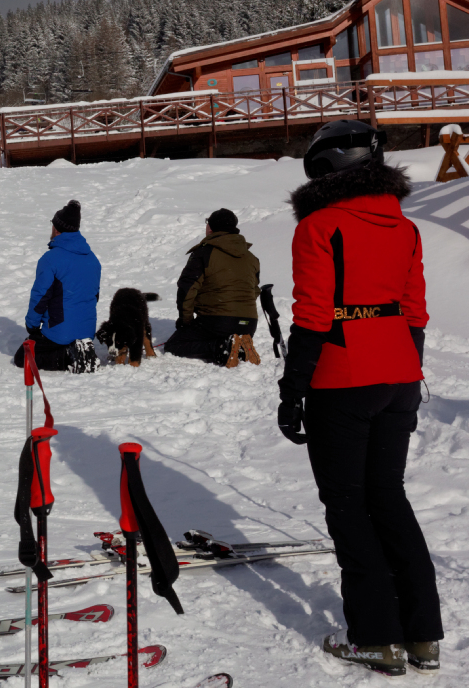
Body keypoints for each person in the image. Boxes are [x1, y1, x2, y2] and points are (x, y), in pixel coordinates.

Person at [277, 120, 440, 676]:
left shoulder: (320, 226)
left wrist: (292, 388)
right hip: (398, 374)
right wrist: (408, 373)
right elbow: (415, 310)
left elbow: (314, 314)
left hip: (343, 376)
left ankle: (377, 639)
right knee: (388, 497)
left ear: (326, 166)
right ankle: (422, 637)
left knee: (348, 506)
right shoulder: (405, 226)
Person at [163, 209, 261, 367]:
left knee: (174, 345)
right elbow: (255, 291)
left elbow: (187, 289)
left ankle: (224, 347)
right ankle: (240, 345)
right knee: (216, 333)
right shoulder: (251, 258)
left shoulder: (204, 252)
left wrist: (185, 321)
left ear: (210, 227)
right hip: (249, 323)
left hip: (218, 321)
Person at [14, 201, 101, 372]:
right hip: (87, 333)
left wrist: (32, 326)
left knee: (22, 357)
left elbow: (40, 297)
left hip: (59, 333)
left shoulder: (51, 259)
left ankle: (68, 357)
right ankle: (80, 349)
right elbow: (94, 296)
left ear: (56, 228)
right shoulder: (92, 259)